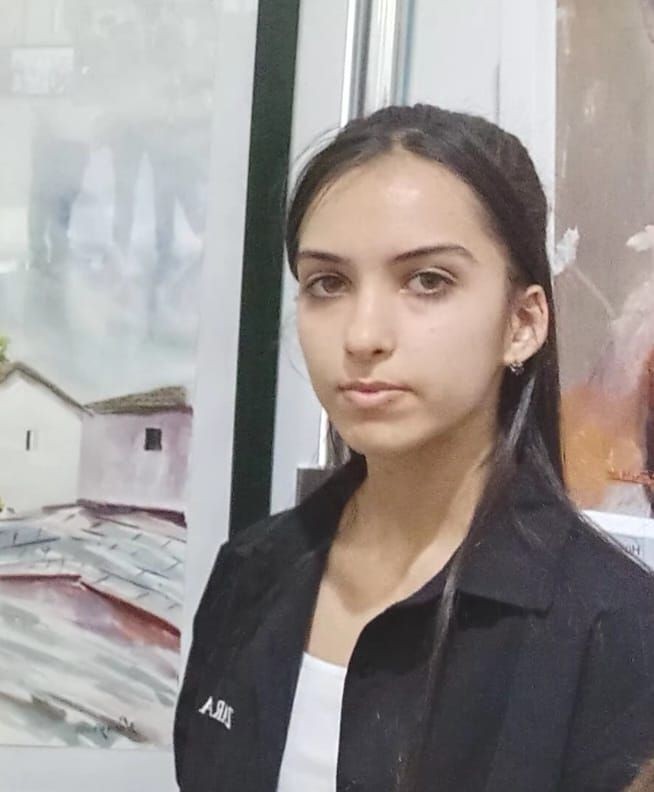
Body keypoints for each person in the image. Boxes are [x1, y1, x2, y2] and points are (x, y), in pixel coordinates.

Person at [174, 104, 654, 791]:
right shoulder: (252, 572)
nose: (363, 335)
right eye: (328, 283)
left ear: (522, 323)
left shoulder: (617, 629)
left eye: (428, 280)